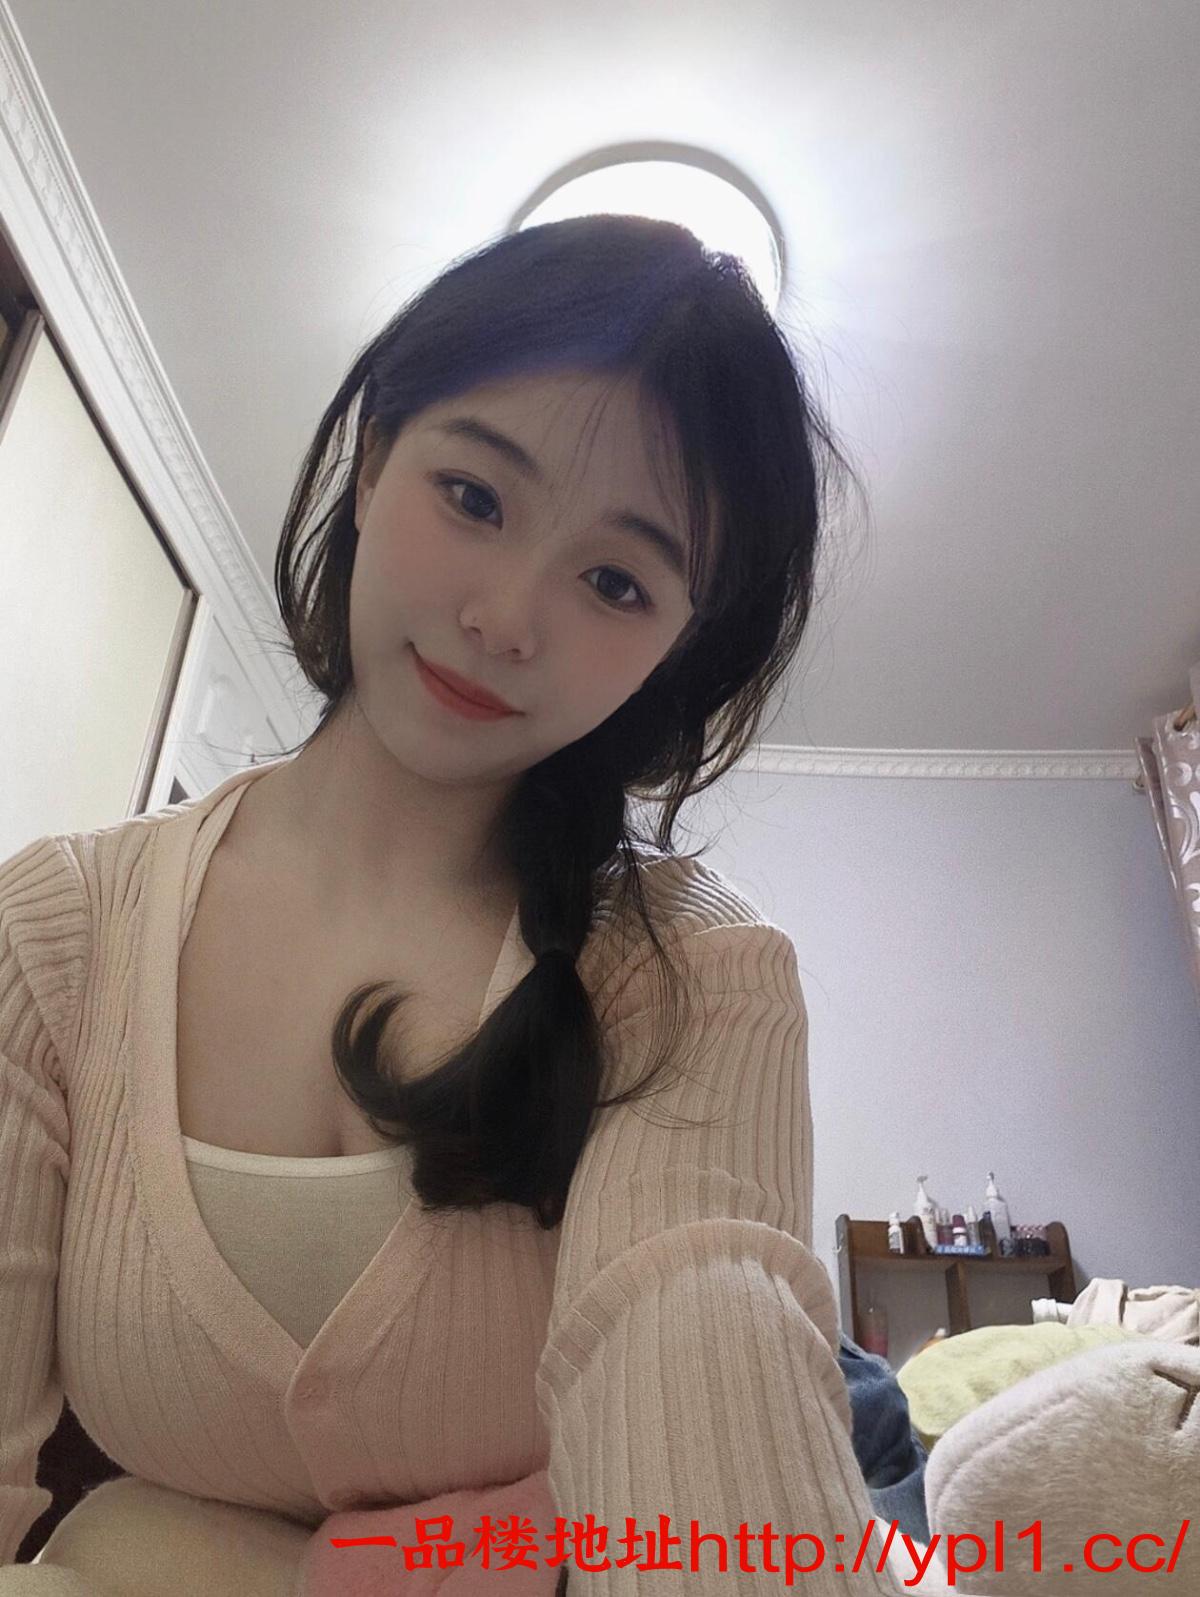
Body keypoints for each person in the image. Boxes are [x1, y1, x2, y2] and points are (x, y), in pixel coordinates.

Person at [0, 214, 908, 1594]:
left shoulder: (691, 974)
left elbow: (711, 1385)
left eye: (616, 580)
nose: (506, 619)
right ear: (372, 461)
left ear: (676, 647)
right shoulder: (51, 935)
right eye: (476, 497)